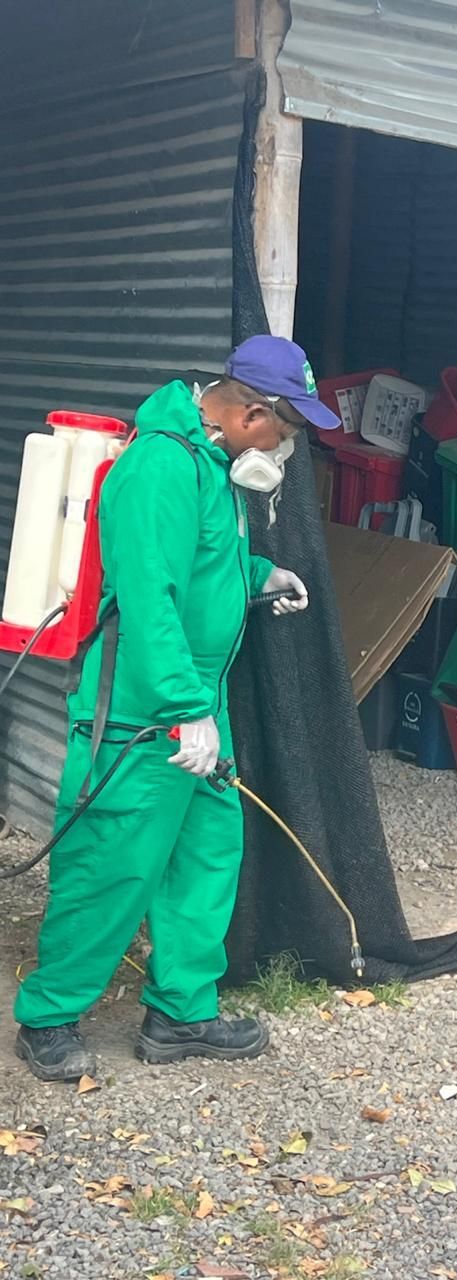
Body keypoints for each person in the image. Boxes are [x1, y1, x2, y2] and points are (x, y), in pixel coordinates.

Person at [14, 336, 339, 1082]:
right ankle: (48, 1017)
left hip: (197, 701)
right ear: (252, 413)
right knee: (112, 865)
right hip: (141, 707)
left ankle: (181, 1012)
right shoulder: (160, 465)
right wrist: (183, 708)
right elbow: (149, 597)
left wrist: (259, 575)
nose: (285, 450)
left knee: (205, 855)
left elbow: (201, 566)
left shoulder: (210, 464)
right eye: (285, 433)